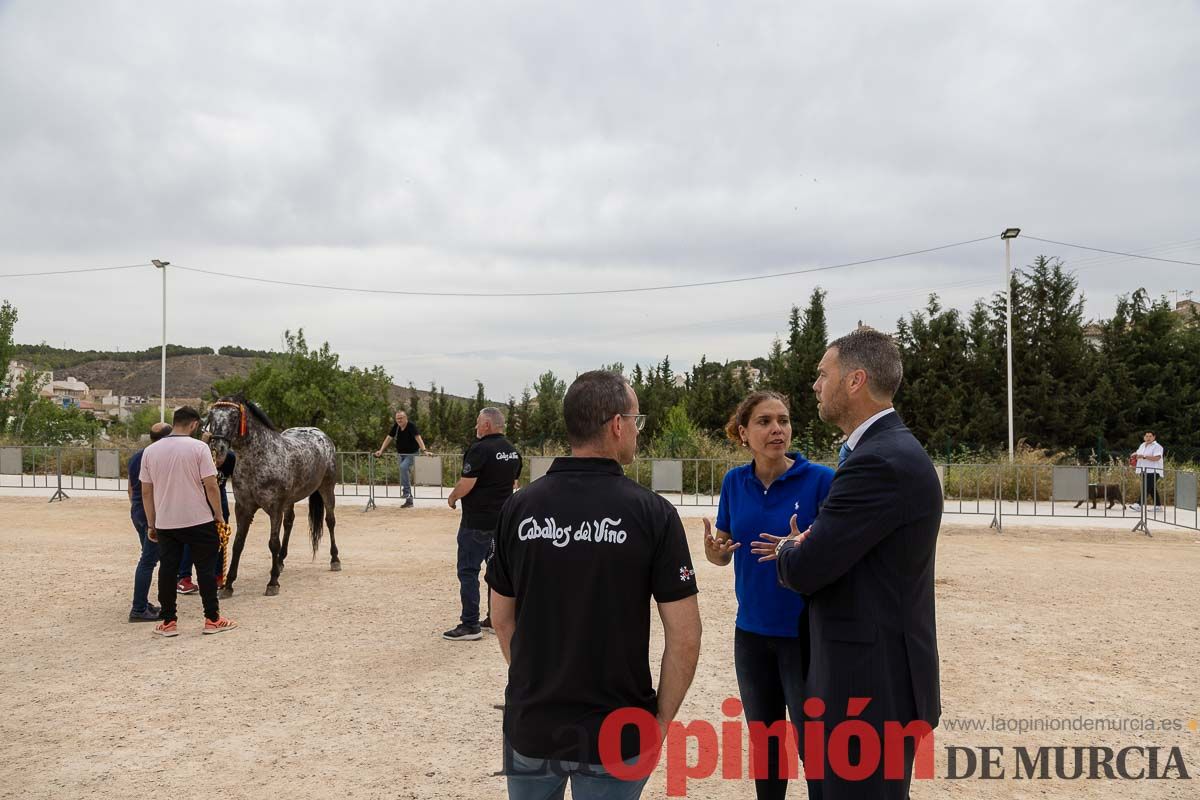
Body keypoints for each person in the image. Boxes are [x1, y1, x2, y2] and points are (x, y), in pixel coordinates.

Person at [486, 370, 702, 799]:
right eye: (637, 421)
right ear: (617, 425)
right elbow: (685, 635)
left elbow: (501, 618)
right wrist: (660, 722)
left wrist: (537, 682)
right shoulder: (653, 514)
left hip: (533, 724)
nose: (638, 433)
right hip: (618, 733)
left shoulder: (518, 507)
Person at [752, 330, 941, 799]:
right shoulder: (884, 451)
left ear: (855, 380)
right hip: (873, 681)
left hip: (868, 690)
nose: (815, 385)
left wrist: (786, 550)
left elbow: (807, 568)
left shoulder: (877, 461)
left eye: (823, 374)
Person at [705, 390, 833, 799]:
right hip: (752, 633)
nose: (777, 429)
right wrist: (715, 553)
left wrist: (802, 547)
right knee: (767, 746)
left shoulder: (821, 481)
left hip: (804, 634)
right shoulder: (734, 482)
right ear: (743, 433)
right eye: (764, 421)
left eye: (783, 420)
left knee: (814, 746)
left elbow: (838, 554)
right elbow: (725, 549)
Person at [140, 406, 238, 637]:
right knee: (205, 569)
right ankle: (212, 619)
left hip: (166, 521)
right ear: (194, 424)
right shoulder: (199, 447)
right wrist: (219, 515)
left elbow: (146, 491)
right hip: (199, 519)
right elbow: (211, 484)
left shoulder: (150, 451)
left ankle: (169, 621)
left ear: (175, 422)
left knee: (167, 570)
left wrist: (152, 523)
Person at [443, 407, 522, 641]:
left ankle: (470, 624)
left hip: (476, 523)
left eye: (478, 423)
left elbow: (468, 483)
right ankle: (492, 619)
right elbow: (514, 483)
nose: (476, 427)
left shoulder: (479, 450)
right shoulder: (512, 452)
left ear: (487, 425)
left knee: (468, 571)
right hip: (503, 523)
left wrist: (453, 496)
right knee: (496, 573)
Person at [176, 438, 235, 593]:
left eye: (222, 458)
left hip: (218, 498)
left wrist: (219, 513)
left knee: (220, 538)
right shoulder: (198, 454)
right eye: (216, 458)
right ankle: (184, 577)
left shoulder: (231, 458)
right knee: (191, 539)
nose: (219, 462)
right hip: (197, 498)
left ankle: (218, 575)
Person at [126, 421, 172, 622]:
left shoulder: (137, 456)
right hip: (151, 513)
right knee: (148, 560)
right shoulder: (159, 457)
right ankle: (138, 609)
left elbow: (130, 488)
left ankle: (143, 603)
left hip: (137, 511)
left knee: (148, 557)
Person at [374, 410, 429, 508]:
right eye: (397, 418)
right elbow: (389, 438)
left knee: (403, 467)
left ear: (406, 418)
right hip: (401, 454)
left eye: (401, 418)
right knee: (403, 472)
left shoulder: (411, 426)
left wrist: (424, 450)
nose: (399, 420)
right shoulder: (396, 427)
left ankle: (406, 492)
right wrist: (381, 450)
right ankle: (409, 500)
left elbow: (418, 438)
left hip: (412, 453)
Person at [1130, 431, 1164, 512]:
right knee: (1151, 488)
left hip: (1154, 471)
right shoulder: (1142, 445)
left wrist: (1144, 456)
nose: (1148, 438)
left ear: (1154, 437)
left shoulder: (1157, 446)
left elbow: (1157, 458)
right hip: (1143, 470)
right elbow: (1138, 453)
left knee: (1146, 487)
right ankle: (1158, 506)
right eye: (1146, 436)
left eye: (1150, 436)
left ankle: (1139, 504)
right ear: (1144, 437)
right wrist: (1134, 454)